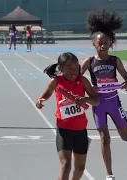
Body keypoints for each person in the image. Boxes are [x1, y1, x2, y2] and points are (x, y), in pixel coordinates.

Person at [81, 9, 127, 180]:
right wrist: (89, 89)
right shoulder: (89, 62)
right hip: (98, 103)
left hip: (113, 101)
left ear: (110, 43)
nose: (103, 45)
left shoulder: (114, 60)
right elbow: (78, 78)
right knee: (105, 137)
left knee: (126, 137)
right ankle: (109, 174)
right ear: (93, 44)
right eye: (99, 42)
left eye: (106, 42)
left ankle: (125, 118)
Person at [36, 52, 99, 180]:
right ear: (61, 69)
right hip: (64, 129)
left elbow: (96, 101)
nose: (74, 71)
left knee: (80, 168)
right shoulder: (55, 81)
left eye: (76, 67)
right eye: (70, 68)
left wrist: (85, 99)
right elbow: (46, 94)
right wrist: (40, 101)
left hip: (81, 130)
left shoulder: (82, 80)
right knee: (66, 165)